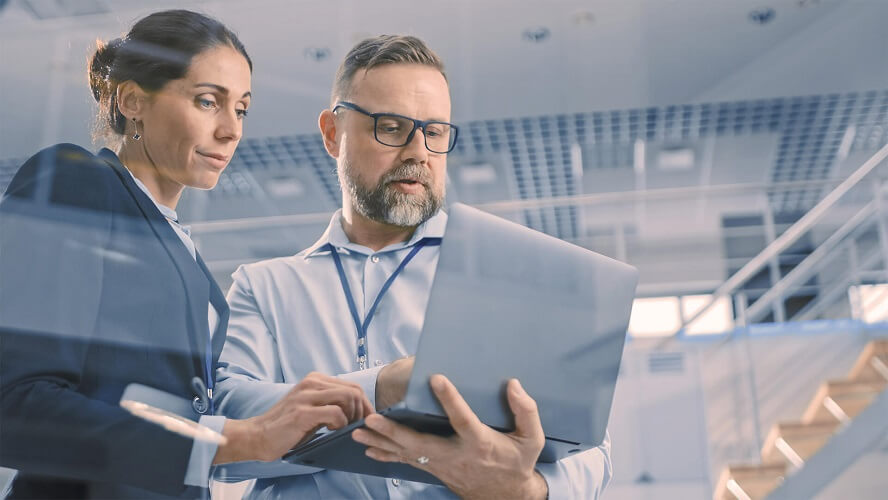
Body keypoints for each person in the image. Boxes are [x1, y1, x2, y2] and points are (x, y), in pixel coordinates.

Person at [215, 34, 612, 499]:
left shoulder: (512, 277)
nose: (419, 151)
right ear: (332, 134)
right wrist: (380, 388)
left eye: (435, 131)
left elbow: (592, 450)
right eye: (392, 127)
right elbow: (224, 437)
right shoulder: (265, 288)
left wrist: (528, 489)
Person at [0, 10, 371, 499]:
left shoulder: (188, 255)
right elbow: (15, 404)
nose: (231, 130)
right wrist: (236, 438)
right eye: (207, 102)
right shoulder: (77, 182)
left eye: (240, 109)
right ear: (132, 100)